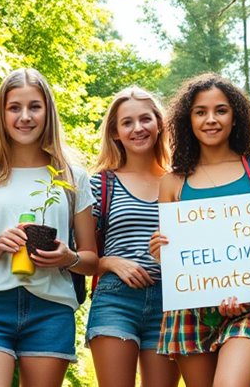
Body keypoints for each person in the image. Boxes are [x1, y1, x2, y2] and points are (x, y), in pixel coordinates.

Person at [0, 68, 98, 387]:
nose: (25, 117)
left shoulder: (73, 178)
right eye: (15, 107)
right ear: (1, 114)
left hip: (51, 308)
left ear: (48, 112)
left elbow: (91, 260)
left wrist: (66, 257)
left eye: (35, 107)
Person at [149, 74, 250, 387]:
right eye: (200, 112)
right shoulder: (172, 182)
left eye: (221, 110)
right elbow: (176, 258)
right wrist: (162, 252)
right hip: (191, 310)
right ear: (188, 120)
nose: (210, 119)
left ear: (235, 117)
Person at [86, 87, 180, 387]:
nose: (137, 128)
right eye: (127, 122)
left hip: (172, 299)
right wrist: (112, 263)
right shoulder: (100, 184)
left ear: (159, 124)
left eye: (145, 119)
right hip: (116, 298)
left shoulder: (182, 180)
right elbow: (77, 257)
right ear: (115, 132)